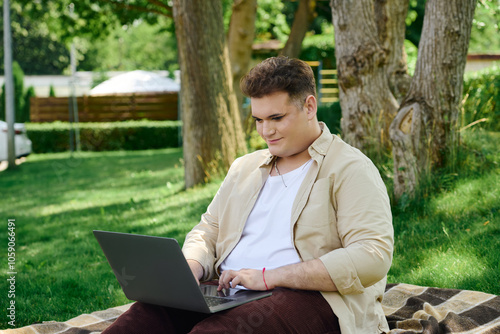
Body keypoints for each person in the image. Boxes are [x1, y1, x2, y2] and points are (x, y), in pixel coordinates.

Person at [103, 56, 394, 334]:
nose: (266, 131)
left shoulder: (350, 168)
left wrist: (269, 277)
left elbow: (373, 255)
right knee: (137, 324)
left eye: (276, 118)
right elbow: (209, 230)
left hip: (308, 297)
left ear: (309, 107)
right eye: (258, 120)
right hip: (227, 292)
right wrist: (190, 268)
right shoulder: (246, 167)